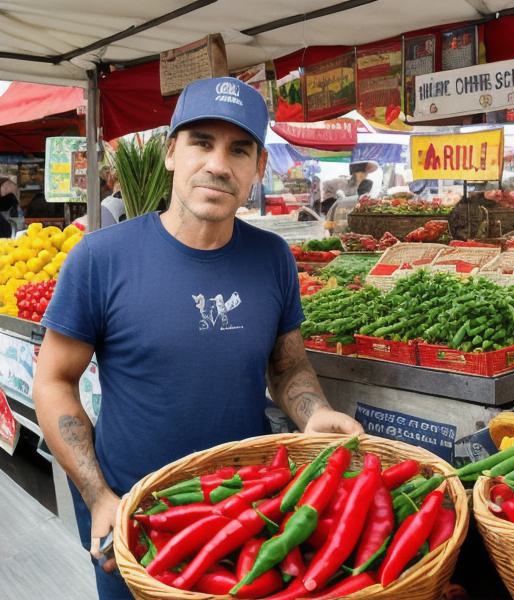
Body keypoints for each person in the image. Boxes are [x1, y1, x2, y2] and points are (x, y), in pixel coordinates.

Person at [33, 77, 362, 599]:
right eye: (201, 142)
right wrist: (98, 496)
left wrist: (314, 413)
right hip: (137, 517)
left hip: (249, 516)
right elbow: (53, 380)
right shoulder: (100, 258)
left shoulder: (272, 258)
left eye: (239, 149)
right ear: (170, 153)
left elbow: (287, 366)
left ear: (257, 170)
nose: (218, 163)